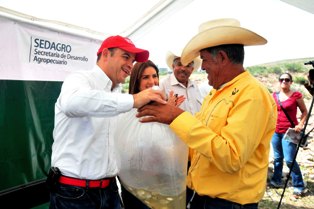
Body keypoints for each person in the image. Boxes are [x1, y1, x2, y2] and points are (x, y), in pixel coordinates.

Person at [136, 18, 277, 209]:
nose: (201, 67)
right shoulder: (216, 93)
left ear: (221, 57)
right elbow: (201, 144)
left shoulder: (252, 94)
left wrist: (176, 117)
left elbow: (231, 157)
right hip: (204, 198)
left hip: (227, 204)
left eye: (204, 59)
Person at [48, 35, 166, 209]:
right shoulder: (80, 79)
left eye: (132, 61)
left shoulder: (118, 94)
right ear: (105, 54)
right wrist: (134, 100)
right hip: (75, 193)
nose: (130, 65)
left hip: (109, 191)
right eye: (125, 57)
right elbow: (71, 102)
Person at [117, 60, 186, 209]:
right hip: (136, 187)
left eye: (154, 76)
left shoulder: (164, 108)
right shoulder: (127, 111)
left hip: (162, 183)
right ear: (136, 81)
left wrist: (170, 113)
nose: (152, 81)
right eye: (145, 77)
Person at [270, 72, 308, 198]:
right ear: (279, 81)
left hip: (290, 131)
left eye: (287, 79)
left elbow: (304, 112)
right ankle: (276, 180)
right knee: (277, 158)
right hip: (275, 131)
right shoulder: (274, 96)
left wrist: (300, 124)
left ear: (291, 82)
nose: (284, 81)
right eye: (281, 79)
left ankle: (299, 186)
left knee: (290, 159)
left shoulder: (296, 95)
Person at [160, 50, 204, 115]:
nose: (183, 68)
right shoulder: (163, 84)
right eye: (179, 64)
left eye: (188, 65)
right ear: (173, 66)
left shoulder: (194, 85)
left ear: (192, 69)